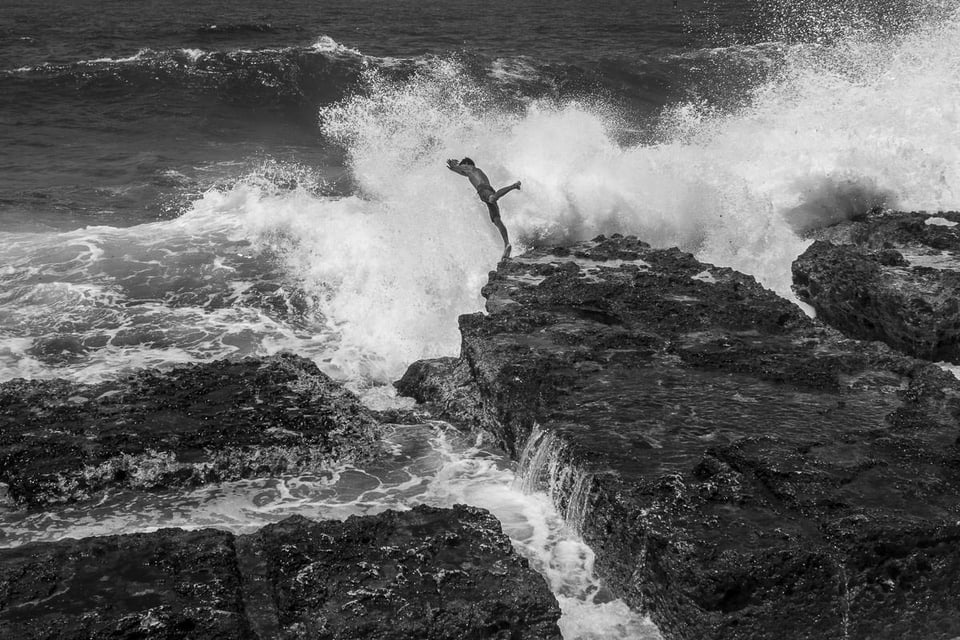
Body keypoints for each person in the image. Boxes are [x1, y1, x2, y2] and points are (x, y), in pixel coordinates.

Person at [447, 157, 520, 259]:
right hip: (487, 190)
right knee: (496, 220)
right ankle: (507, 244)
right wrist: (453, 168)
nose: (462, 168)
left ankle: (514, 186)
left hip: (483, 190)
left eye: (463, 165)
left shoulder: (472, 169)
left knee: (493, 198)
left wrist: (454, 166)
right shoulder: (473, 172)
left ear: (468, 164)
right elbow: (462, 173)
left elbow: (463, 170)